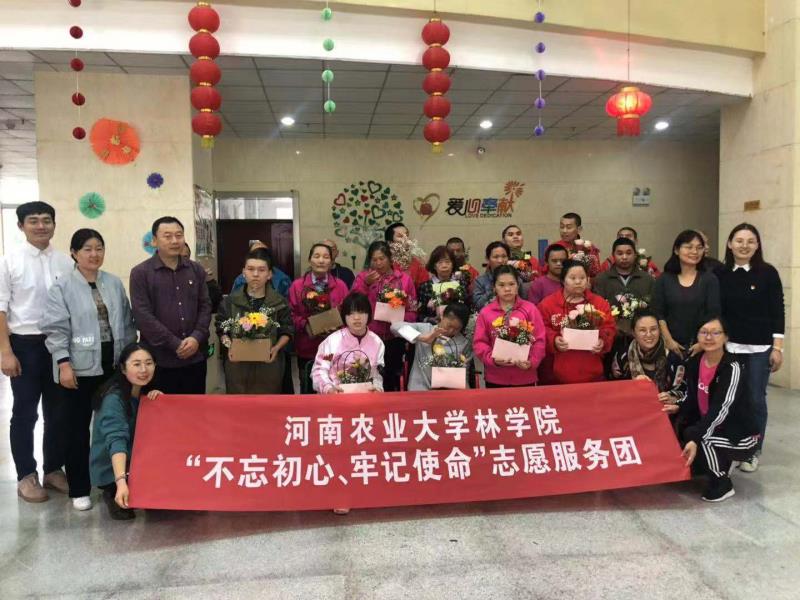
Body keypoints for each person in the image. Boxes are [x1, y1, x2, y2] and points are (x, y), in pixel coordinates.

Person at [40, 229, 137, 511]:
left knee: (111, 428)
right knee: (77, 430)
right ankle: (80, 488)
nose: (94, 254)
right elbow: (56, 330)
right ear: (74, 253)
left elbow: (127, 324)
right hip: (78, 370)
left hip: (112, 367)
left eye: (99, 248)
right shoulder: (62, 287)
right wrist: (63, 364)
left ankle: (109, 483)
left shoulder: (113, 283)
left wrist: (128, 361)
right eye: (87, 249)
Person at [0, 201, 73, 502]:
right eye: (33, 220)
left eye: (46, 220)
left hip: (59, 344)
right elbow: (1, 309)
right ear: (21, 226)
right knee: (25, 412)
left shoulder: (66, 262)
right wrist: (5, 351)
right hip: (25, 344)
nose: (41, 226)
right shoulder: (9, 261)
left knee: (59, 411)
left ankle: (53, 469)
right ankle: (26, 475)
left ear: (54, 224)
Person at [718, 223, 784, 472]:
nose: (744, 246)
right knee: (731, 398)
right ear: (729, 244)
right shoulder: (720, 273)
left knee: (755, 399)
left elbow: (777, 310)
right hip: (729, 348)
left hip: (760, 349)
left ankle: (753, 450)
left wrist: (778, 348)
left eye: (750, 241)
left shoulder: (768, 273)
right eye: (739, 240)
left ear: (757, 245)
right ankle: (731, 445)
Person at [678, 317, 760, 502]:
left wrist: (697, 437)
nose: (709, 337)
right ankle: (718, 462)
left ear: (726, 337)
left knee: (702, 439)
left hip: (740, 434)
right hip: (715, 427)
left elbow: (721, 409)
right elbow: (691, 396)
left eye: (716, 333)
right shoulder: (695, 362)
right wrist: (677, 404)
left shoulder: (732, 367)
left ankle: (722, 483)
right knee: (688, 431)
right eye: (704, 332)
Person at [130, 216, 212, 394]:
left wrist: (196, 338)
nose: (175, 241)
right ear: (154, 240)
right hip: (158, 361)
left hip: (195, 358)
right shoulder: (140, 273)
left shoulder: (196, 270)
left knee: (194, 409)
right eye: (167, 236)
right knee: (160, 410)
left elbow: (205, 306)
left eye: (179, 235)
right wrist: (175, 344)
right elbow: (143, 316)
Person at [90, 342, 163, 520]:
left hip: (138, 460)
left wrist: (159, 404)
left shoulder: (145, 391)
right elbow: (116, 441)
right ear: (123, 369)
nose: (143, 369)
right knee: (126, 512)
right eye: (136, 364)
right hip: (113, 467)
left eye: (149, 363)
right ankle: (112, 490)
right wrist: (121, 481)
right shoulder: (113, 399)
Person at [216, 249, 293, 394]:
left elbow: (287, 329)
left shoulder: (279, 302)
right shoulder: (230, 301)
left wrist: (276, 348)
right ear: (243, 272)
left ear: (269, 274)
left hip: (269, 365)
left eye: (261, 270)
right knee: (239, 404)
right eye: (250, 269)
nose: (256, 274)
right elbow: (222, 329)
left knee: (267, 404)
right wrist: (229, 346)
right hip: (238, 366)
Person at [537, 260, 616, 384]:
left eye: (582, 278)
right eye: (572, 278)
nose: (578, 282)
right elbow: (541, 329)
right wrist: (554, 340)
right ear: (563, 280)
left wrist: (602, 341)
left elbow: (609, 327)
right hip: (556, 375)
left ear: (588, 280)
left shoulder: (599, 303)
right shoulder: (548, 304)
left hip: (592, 371)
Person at [351, 241, 416, 391]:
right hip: (370, 337)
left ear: (390, 258)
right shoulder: (363, 277)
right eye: (374, 260)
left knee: (392, 377)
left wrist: (400, 320)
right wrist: (366, 284)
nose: (378, 263)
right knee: (369, 375)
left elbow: (412, 309)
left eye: (382, 258)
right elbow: (353, 303)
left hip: (395, 337)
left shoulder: (404, 279)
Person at [288, 243, 349, 393]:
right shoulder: (297, 286)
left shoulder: (340, 286)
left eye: (326, 257)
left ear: (331, 261)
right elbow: (291, 314)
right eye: (317, 256)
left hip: (334, 349)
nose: (321, 260)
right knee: (308, 390)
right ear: (309, 260)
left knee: (334, 389)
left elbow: (348, 312)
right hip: (307, 348)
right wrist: (306, 325)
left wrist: (337, 325)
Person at [473, 265, 546, 388]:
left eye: (511, 284)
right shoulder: (486, 312)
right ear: (494, 288)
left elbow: (539, 340)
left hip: (524, 375)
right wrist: (492, 359)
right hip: (496, 377)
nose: (507, 289)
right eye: (501, 285)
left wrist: (532, 361)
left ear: (518, 286)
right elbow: (479, 343)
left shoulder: (530, 309)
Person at [593, 237, 655, 377]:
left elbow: (652, 308)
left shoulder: (647, 279)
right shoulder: (602, 279)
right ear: (613, 255)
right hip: (611, 338)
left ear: (635, 255)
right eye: (620, 253)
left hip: (639, 338)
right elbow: (597, 310)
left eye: (628, 253)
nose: (624, 257)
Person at [653, 230, 720, 358]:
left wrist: (702, 343)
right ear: (676, 250)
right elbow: (658, 313)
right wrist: (668, 340)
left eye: (699, 248)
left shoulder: (710, 279)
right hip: (669, 346)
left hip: (703, 346)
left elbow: (714, 314)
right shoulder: (664, 279)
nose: (695, 252)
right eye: (689, 247)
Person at [610, 310, 687, 420]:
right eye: (642, 330)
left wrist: (673, 398)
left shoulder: (673, 359)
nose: (649, 335)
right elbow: (612, 389)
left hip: (664, 417)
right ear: (633, 333)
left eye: (653, 329)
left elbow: (684, 391)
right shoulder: (622, 357)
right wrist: (632, 387)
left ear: (659, 330)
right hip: (629, 415)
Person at [312, 293, 385, 394]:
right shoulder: (332, 342)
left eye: (361, 312)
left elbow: (376, 374)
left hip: (366, 396)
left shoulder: (377, 342)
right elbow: (320, 369)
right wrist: (328, 388)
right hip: (337, 395)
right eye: (350, 313)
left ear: (368, 314)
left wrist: (377, 388)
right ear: (344, 316)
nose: (356, 317)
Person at [391, 303, 472, 391]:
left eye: (457, 329)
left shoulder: (463, 343)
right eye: (449, 326)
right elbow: (394, 327)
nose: (451, 331)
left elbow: (464, 374)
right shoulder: (425, 329)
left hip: (449, 389)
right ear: (442, 316)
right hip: (420, 387)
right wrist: (422, 338)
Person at [416, 245, 470, 324]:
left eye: (447, 262)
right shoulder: (425, 286)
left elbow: (467, 307)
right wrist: (430, 318)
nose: (444, 266)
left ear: (453, 264)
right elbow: (419, 315)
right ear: (434, 266)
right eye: (440, 262)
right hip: (433, 326)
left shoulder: (461, 283)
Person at [472, 241, 528, 311]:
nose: (500, 261)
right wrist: (494, 289)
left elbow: (524, 302)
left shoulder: (516, 279)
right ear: (487, 259)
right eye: (496, 257)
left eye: (504, 256)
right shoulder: (480, 281)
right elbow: (478, 305)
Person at [553, 212, 601, 277]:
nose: (564, 231)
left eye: (569, 227)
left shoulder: (588, 247)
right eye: (562, 227)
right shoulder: (554, 247)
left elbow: (596, 273)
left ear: (579, 229)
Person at [181, 242, 223, 313]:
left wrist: (206, 281)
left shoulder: (199, 275)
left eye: (185, 257)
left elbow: (214, 306)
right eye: (177, 257)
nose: (181, 260)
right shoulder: (164, 278)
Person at [385, 222, 430, 287]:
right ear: (390, 243)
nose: (406, 239)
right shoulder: (384, 263)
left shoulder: (416, 263)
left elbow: (425, 287)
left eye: (407, 235)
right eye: (400, 236)